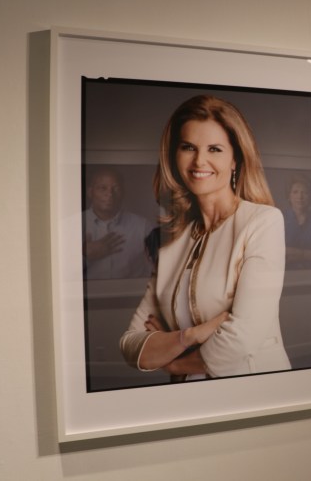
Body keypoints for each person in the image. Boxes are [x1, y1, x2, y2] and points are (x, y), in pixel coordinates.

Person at [119, 95, 291, 380]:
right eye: (188, 147)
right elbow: (130, 346)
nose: (199, 160)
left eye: (215, 149)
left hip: (255, 390)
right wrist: (189, 336)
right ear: (174, 155)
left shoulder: (263, 222)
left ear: (235, 159)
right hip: (188, 395)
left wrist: (174, 362)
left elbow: (242, 339)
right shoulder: (172, 241)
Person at [83, 166, 154, 280]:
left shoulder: (144, 227)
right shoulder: (72, 225)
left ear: (123, 192)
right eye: (103, 188)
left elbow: (157, 270)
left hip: (132, 291)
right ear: (90, 192)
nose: (110, 194)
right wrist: (83, 253)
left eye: (115, 188)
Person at [282, 174, 311, 270]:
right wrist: (309, 254)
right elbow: (275, 251)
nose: (300, 196)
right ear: (289, 196)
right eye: (295, 192)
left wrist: (299, 254)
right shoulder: (279, 218)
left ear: (310, 197)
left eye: (305, 192)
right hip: (286, 273)